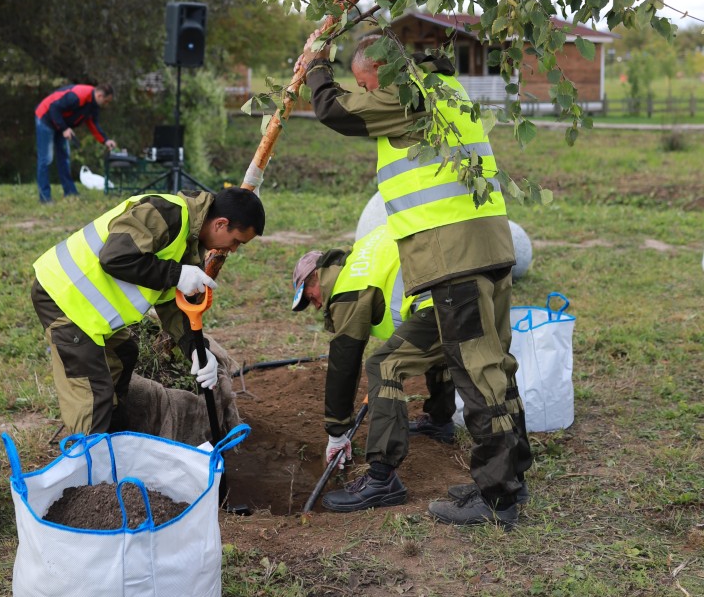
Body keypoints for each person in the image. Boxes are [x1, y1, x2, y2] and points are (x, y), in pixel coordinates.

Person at [294, 33, 532, 527]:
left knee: (479, 373)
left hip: (452, 256)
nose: (363, 92)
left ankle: (497, 498)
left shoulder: (408, 93)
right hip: (487, 247)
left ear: (382, 70)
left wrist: (316, 65)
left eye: (365, 82)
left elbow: (334, 111)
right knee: (495, 366)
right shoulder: (443, 86)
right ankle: (511, 479)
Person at [31, 186, 266, 435]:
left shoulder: (188, 243)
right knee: (93, 390)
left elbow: (171, 304)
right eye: (237, 241)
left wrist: (197, 351)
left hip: (86, 308)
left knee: (124, 354)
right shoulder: (164, 213)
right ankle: (90, 456)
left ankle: (116, 438)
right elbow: (115, 257)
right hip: (61, 296)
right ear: (220, 224)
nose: (233, 250)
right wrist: (176, 274)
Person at [291, 223, 455, 475]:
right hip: (453, 284)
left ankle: (381, 475)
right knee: (425, 343)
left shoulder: (347, 286)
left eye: (308, 296)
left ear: (316, 275)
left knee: (381, 365)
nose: (314, 304)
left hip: (443, 302)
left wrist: (336, 432)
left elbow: (344, 360)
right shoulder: (359, 255)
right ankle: (440, 420)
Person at [35, 82, 118, 203]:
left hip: (61, 123)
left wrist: (105, 140)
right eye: (106, 101)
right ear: (100, 95)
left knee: (64, 157)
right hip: (45, 118)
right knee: (46, 159)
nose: (107, 104)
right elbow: (54, 108)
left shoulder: (93, 105)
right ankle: (44, 197)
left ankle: (70, 193)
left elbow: (92, 123)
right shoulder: (78, 95)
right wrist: (64, 128)